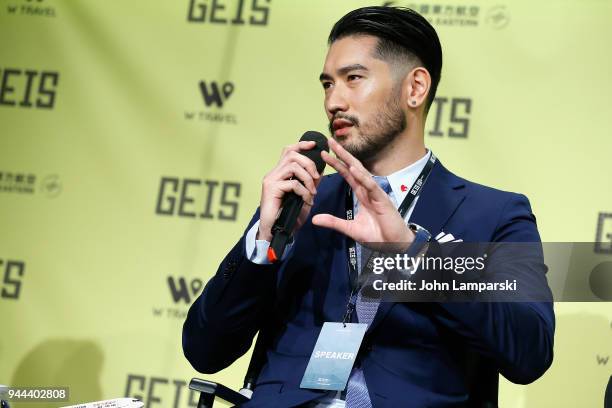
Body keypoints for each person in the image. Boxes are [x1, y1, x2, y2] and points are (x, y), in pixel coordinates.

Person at [182, 6, 555, 407]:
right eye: (327, 84)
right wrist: (261, 243)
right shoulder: (301, 199)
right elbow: (205, 352)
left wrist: (416, 255)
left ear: (415, 88)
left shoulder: (493, 214)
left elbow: (529, 353)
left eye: (353, 79)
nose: (333, 102)